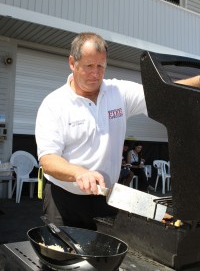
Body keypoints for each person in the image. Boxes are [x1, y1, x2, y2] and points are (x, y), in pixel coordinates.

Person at [35, 32, 200, 231]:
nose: (95, 74)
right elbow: (48, 159)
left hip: (107, 197)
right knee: (64, 257)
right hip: (64, 201)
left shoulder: (118, 92)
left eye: (101, 66)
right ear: (72, 62)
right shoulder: (54, 104)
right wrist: (78, 172)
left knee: (108, 257)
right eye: (89, 66)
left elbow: (165, 93)